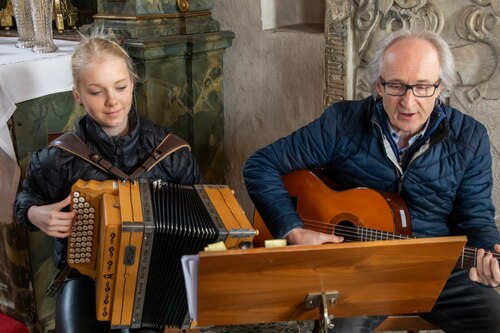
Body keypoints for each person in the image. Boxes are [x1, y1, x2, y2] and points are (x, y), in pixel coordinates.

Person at [243, 29, 500, 332]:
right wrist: (294, 230)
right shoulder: (342, 123)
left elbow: (476, 218)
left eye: (421, 87)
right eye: (396, 85)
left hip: (437, 269)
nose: (408, 101)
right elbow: (260, 165)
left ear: (439, 87)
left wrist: (489, 256)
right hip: (356, 271)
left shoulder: (470, 138)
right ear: (379, 85)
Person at [14, 32, 201, 333]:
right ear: (78, 95)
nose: (112, 101)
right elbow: (24, 202)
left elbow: (199, 214)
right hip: (84, 277)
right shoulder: (58, 158)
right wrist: (36, 214)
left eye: (121, 87)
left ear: (133, 83)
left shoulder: (171, 153)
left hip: (156, 274)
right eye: (96, 92)